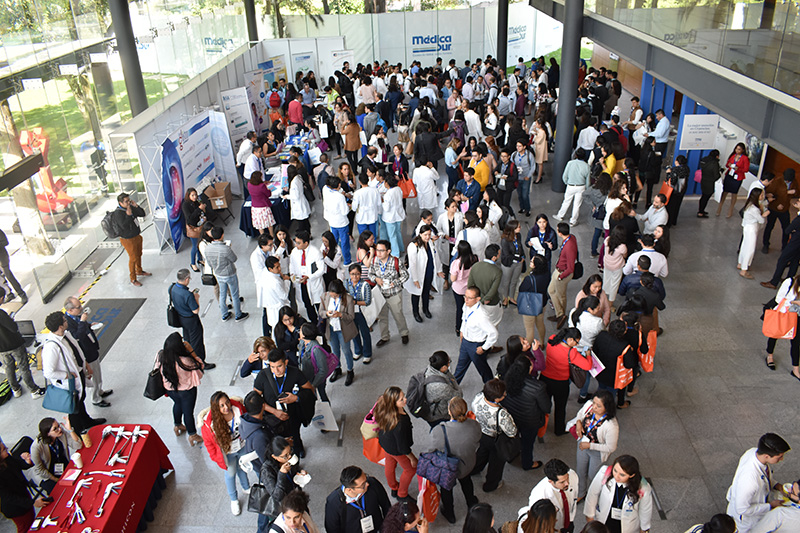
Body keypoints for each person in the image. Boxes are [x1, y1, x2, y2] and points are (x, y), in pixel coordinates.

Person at [419, 397, 480, 524]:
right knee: (466, 481)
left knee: (446, 489)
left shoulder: (439, 430)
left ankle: (450, 513)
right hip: (467, 464)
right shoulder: (475, 425)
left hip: (447, 467)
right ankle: (471, 503)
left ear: (449, 412)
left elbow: (431, 449)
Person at [41, 312, 103, 435]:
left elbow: (77, 351)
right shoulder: (51, 347)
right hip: (69, 381)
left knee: (81, 399)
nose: (67, 322)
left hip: (78, 373)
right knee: (74, 407)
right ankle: (77, 430)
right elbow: (48, 372)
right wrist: (66, 376)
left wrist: (86, 364)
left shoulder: (66, 335)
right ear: (60, 326)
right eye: (65, 320)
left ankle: (86, 421)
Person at [253, 349, 316, 458]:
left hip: (293, 414)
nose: (276, 371)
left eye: (279, 366)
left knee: (295, 434)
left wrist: (296, 398)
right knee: (277, 441)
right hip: (273, 417)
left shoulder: (295, 373)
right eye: (272, 367)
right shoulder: (263, 376)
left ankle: (298, 448)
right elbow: (255, 399)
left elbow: (310, 390)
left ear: (286, 362)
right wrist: (274, 411)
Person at [727, 433, 791, 533]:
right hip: (746, 522)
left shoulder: (752, 452)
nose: (781, 459)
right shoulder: (749, 481)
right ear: (767, 456)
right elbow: (742, 509)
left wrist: (778, 486)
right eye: (779, 457)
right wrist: (770, 505)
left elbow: (765, 478)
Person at [200, 391, 251, 515]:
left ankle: (246, 487)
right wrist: (215, 457)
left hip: (241, 446)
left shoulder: (237, 409)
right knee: (231, 474)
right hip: (227, 453)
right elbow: (209, 443)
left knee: (242, 467)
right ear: (216, 408)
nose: (226, 407)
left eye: (227, 403)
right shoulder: (210, 424)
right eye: (221, 406)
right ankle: (234, 499)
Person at [501, 354, 550, 470]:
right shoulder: (538, 387)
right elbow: (547, 408)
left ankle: (511, 455)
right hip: (530, 421)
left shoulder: (506, 379)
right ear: (529, 368)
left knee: (512, 437)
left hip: (511, 416)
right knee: (527, 444)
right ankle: (527, 464)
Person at [569, 390, 620, 500]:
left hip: (597, 452)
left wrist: (590, 446)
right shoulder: (589, 405)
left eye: (598, 406)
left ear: (607, 407)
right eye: (594, 403)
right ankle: (581, 493)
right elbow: (580, 414)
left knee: (594, 476)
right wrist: (578, 422)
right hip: (583, 444)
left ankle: (595, 495)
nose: (594, 407)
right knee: (580, 471)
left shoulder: (611, 425)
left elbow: (611, 447)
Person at [541, 328, 592, 436]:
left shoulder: (552, 340)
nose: (577, 344)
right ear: (570, 339)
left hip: (544, 379)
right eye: (576, 342)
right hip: (560, 384)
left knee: (543, 404)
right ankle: (559, 430)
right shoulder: (571, 352)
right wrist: (588, 355)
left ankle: (540, 426)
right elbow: (588, 366)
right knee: (560, 407)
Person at [156, 332, 204, 446]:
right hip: (187, 391)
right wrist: (191, 351)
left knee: (177, 404)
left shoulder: (161, 355)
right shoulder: (185, 360)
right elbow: (200, 368)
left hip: (170, 389)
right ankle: (192, 435)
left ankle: (177, 425)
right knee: (188, 412)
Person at [585, 455, 653, 533]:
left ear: (632, 475)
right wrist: (590, 516)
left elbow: (645, 510)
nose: (616, 476)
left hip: (627, 526)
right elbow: (592, 494)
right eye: (615, 470)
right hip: (604, 519)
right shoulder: (604, 472)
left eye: (622, 475)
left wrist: (644, 529)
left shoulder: (643, 487)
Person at [64, 296, 112, 406]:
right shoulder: (68, 323)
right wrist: (82, 322)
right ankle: (96, 398)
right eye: (78, 307)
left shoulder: (76, 316)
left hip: (91, 347)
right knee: (93, 375)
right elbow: (77, 336)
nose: (81, 308)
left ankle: (99, 391)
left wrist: (89, 325)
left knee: (97, 373)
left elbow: (82, 327)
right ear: (70, 310)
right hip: (85, 353)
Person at [471, 379, 517, 493]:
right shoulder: (501, 414)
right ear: (496, 399)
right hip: (495, 439)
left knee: (482, 453)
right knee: (496, 463)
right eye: (503, 394)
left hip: (481, 433)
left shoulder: (478, 397)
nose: (505, 395)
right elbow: (512, 432)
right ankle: (491, 485)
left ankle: (474, 470)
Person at [374, 386, 416, 502]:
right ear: (393, 403)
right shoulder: (400, 424)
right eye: (401, 399)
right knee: (411, 469)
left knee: (390, 464)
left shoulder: (386, 410)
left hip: (386, 444)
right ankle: (402, 494)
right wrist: (412, 458)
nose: (405, 400)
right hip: (397, 449)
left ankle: (393, 487)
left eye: (404, 396)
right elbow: (403, 447)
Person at [0, 437, 48, 532]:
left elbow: (19, 465)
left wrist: (27, 461)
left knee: (33, 522)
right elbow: (9, 497)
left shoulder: (7, 458)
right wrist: (32, 502)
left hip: (24, 496)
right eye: (3, 449)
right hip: (16, 508)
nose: (7, 449)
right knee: (26, 527)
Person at [324, 465, 391, 533]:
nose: (367, 484)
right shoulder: (333, 502)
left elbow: (386, 506)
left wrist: (388, 527)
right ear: (350, 490)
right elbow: (332, 529)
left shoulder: (373, 484)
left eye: (366, 478)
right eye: (363, 485)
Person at [368, 239, 411, 346]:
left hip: (394, 294)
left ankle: (404, 333)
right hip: (380, 294)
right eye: (377, 250)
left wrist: (395, 282)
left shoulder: (396, 261)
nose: (378, 253)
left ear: (388, 251)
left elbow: (405, 275)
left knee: (398, 315)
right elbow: (370, 274)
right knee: (382, 317)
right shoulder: (374, 260)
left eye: (381, 250)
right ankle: (385, 337)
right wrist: (376, 279)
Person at [257, 436, 304, 530]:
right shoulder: (267, 470)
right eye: (285, 456)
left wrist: (300, 473)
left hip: (291, 496)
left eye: (290, 452)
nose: (289, 457)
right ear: (274, 457)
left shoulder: (288, 459)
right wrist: (282, 474)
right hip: (277, 505)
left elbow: (294, 472)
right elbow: (277, 496)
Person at [0, 298, 44, 399]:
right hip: (14, 345)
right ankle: (34, 390)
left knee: (9, 368)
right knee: (23, 367)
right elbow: (13, 328)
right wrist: (11, 320)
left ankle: (15, 389)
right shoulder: (1, 314)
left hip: (2, 349)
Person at [454, 286, 498, 384]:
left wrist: (484, 348)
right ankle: (453, 385)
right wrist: (462, 331)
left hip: (476, 345)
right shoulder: (466, 305)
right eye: (465, 296)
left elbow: (493, 333)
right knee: (460, 366)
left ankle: (491, 386)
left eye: (469, 298)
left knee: (483, 369)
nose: (466, 300)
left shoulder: (481, 315)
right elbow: (464, 319)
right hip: (466, 341)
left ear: (477, 299)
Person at [205, 226, 249, 322]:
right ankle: (238, 315)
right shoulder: (225, 248)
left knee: (222, 294)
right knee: (234, 295)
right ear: (222, 235)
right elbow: (234, 259)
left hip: (218, 274)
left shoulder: (207, 248)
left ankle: (224, 315)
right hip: (229, 274)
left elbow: (209, 263)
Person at [526, 459, 579, 533]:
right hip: (553, 528)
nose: (567, 483)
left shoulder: (573, 475)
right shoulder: (539, 495)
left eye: (567, 478)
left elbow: (574, 498)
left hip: (569, 520)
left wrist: (571, 519)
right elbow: (538, 522)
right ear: (550, 481)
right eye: (562, 482)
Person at [320, 278, 357, 386]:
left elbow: (351, 317)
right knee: (334, 350)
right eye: (331, 294)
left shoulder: (348, 299)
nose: (332, 297)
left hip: (342, 329)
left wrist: (340, 315)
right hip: (331, 328)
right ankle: (337, 368)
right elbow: (320, 312)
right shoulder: (325, 296)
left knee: (346, 350)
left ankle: (350, 370)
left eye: (335, 295)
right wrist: (327, 313)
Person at [30, 417, 80, 493]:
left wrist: (70, 430)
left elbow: (78, 445)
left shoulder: (61, 433)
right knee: (60, 492)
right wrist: (56, 480)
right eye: (55, 429)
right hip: (47, 474)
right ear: (47, 433)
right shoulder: (36, 447)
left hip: (62, 465)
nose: (59, 429)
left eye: (59, 426)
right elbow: (40, 470)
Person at [406, 225, 444, 323]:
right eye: (425, 235)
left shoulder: (430, 242)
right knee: (416, 294)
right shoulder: (413, 246)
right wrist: (415, 279)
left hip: (429, 272)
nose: (428, 237)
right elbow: (412, 264)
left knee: (426, 292)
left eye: (429, 234)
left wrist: (439, 270)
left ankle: (425, 309)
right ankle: (416, 312)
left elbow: (435, 256)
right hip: (418, 274)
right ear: (420, 234)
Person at [111, 192, 150, 286]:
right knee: (133, 258)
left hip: (136, 235)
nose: (128, 203)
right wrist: (128, 215)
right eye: (126, 201)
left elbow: (142, 214)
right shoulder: (118, 213)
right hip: (127, 239)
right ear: (120, 203)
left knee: (139, 254)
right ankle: (133, 279)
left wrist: (136, 206)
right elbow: (123, 226)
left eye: (129, 200)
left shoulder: (131, 207)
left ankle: (139, 270)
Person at [289, 231, 325, 324]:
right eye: (296, 242)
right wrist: (292, 274)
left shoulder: (315, 252)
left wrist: (309, 277)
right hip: (302, 283)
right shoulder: (294, 252)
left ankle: (322, 325)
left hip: (313, 283)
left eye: (298, 243)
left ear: (306, 243)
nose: (296, 245)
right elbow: (292, 265)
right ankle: (313, 322)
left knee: (318, 305)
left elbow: (322, 269)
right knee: (307, 303)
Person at [548, 223, 578, 329]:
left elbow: (570, 268)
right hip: (559, 269)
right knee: (551, 290)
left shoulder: (569, 246)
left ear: (560, 233)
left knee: (561, 295)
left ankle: (561, 315)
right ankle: (559, 313)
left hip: (562, 273)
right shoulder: (571, 237)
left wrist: (561, 277)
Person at [469, 244, 504, 333]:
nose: (499, 256)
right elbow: (493, 290)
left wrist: (477, 300)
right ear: (494, 257)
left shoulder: (475, 266)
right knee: (492, 326)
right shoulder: (497, 271)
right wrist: (484, 300)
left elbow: (470, 285)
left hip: (476, 302)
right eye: (499, 254)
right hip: (491, 304)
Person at [518, 254, 551, 347]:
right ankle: (542, 342)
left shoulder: (529, 279)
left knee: (529, 328)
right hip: (542, 302)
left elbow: (521, 289)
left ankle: (528, 347)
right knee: (540, 323)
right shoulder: (547, 273)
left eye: (532, 261)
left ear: (536, 266)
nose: (530, 262)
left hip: (530, 306)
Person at [555, 148, 591, 226]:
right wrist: (586, 188)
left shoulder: (570, 163)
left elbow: (564, 176)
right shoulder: (587, 166)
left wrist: (567, 183)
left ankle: (560, 216)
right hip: (581, 187)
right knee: (577, 205)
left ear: (576, 155)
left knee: (566, 201)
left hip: (570, 186)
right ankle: (573, 221)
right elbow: (588, 181)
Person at [740, 187, 769, 279]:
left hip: (747, 227)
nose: (763, 196)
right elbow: (761, 220)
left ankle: (741, 263)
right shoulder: (754, 209)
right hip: (751, 229)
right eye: (761, 195)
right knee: (750, 249)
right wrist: (764, 215)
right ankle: (744, 270)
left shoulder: (749, 204)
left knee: (745, 246)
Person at [718, 142, 751, 218]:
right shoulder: (733, 155)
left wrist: (738, 169)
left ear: (742, 150)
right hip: (730, 175)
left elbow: (746, 169)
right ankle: (720, 206)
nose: (737, 150)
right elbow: (727, 164)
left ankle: (731, 209)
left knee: (734, 193)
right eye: (736, 149)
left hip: (738, 177)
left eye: (739, 149)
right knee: (725, 191)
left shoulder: (745, 158)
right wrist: (729, 165)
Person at [499, 220, 525, 307]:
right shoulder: (505, 240)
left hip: (518, 263)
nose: (520, 228)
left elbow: (520, 247)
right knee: (506, 282)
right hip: (508, 264)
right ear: (512, 229)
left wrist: (523, 256)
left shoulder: (518, 235)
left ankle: (512, 297)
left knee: (514, 281)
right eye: (518, 227)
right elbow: (507, 255)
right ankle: (505, 298)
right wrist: (519, 258)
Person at [182, 188, 207, 271]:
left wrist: (202, 211)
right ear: (188, 196)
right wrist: (199, 209)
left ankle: (200, 259)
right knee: (195, 246)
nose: (195, 197)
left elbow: (199, 213)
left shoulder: (196, 203)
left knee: (200, 244)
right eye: (192, 195)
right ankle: (193, 263)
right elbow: (190, 217)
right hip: (192, 228)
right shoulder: (185, 205)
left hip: (199, 225)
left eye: (195, 195)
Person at [283, 165, 311, 234]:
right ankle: (308, 234)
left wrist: (287, 196)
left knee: (301, 223)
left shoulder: (294, 182)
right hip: (301, 202)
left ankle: (303, 236)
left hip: (299, 205)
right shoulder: (298, 177)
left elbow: (295, 196)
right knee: (305, 221)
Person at [665, 155, 690, 226]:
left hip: (674, 191)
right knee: (677, 205)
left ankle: (668, 222)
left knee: (671, 206)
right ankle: (674, 221)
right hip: (682, 190)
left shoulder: (675, 169)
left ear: (677, 161)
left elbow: (672, 181)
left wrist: (668, 173)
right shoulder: (687, 168)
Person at [697, 149, 722, 217]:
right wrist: (720, 172)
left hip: (703, 180)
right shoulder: (714, 163)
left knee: (703, 197)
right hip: (710, 183)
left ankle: (701, 210)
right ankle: (701, 212)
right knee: (705, 198)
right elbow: (716, 176)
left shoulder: (704, 160)